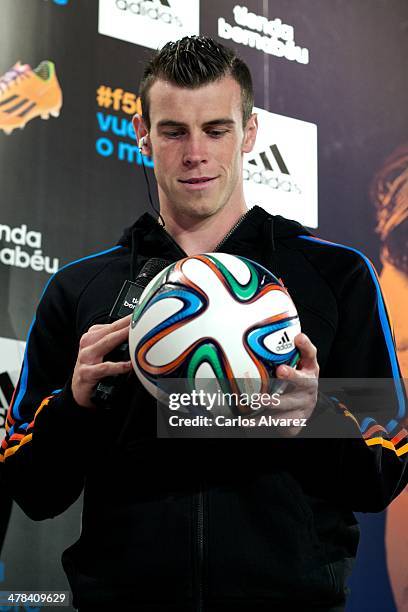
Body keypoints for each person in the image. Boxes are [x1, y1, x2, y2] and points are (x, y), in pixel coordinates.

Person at [0, 36, 407, 611]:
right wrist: (75, 406)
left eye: (216, 130)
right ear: (142, 134)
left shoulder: (333, 275)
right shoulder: (81, 289)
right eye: (173, 131)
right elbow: (33, 490)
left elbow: (386, 465)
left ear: (251, 134)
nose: (195, 153)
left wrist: (313, 417)